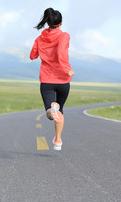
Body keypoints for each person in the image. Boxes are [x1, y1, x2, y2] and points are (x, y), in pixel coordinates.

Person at [30, 8, 74, 151]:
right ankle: (58, 140)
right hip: (63, 80)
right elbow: (61, 52)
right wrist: (67, 69)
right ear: (60, 23)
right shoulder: (64, 36)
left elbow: (32, 56)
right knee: (60, 110)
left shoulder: (40, 38)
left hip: (47, 80)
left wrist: (40, 47)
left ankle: (51, 111)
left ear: (47, 22)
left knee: (50, 110)